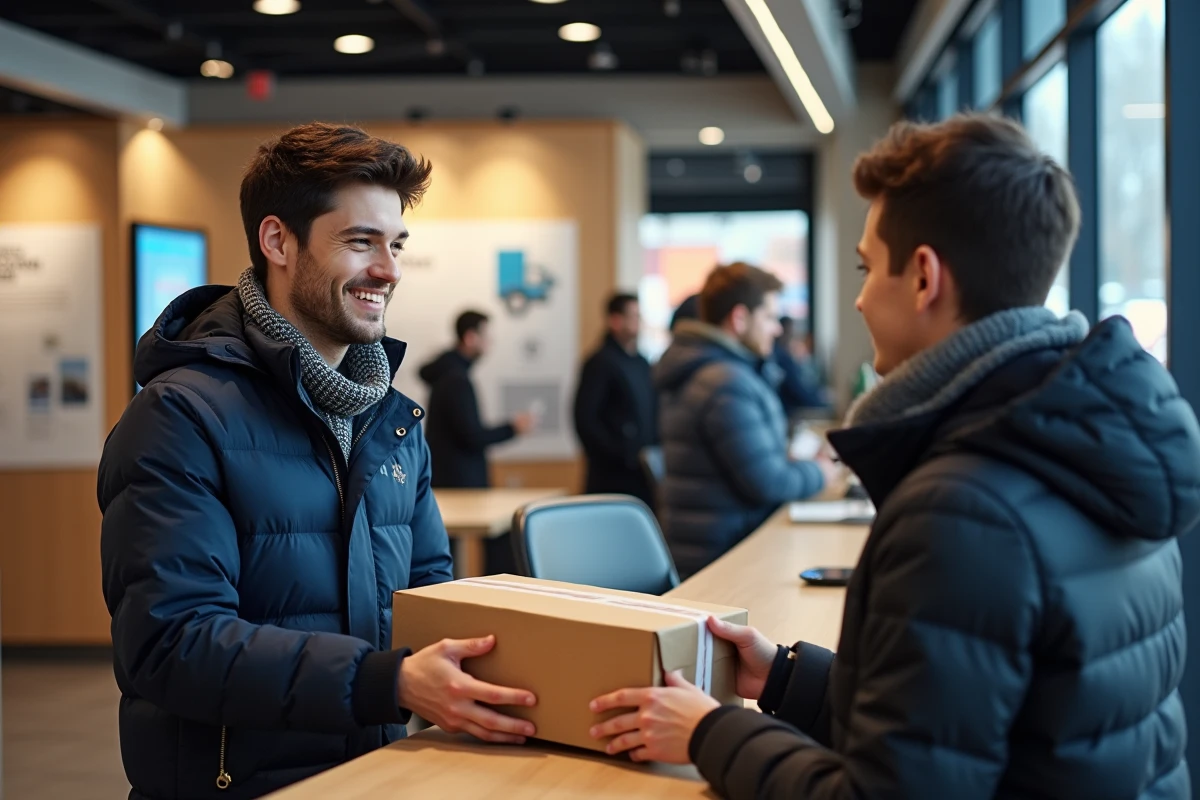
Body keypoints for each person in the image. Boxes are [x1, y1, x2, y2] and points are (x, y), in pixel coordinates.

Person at [587, 115, 1199, 798]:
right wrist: (786, 677)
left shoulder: (963, 508)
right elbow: (968, 729)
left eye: (867, 266)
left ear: (924, 278)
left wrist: (709, 732)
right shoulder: (1100, 446)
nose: (858, 297)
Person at [98, 123, 538, 800]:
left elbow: (428, 594)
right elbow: (172, 643)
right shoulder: (180, 416)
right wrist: (385, 682)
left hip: (381, 774)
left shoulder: (391, 419)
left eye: (396, 245)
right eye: (361, 242)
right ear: (278, 242)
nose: (389, 270)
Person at [654, 263, 834, 578]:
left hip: (719, 550)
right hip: (725, 562)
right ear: (739, 318)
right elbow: (769, 483)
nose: (776, 329)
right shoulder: (725, 383)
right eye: (769, 317)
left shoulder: (712, 373)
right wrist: (820, 471)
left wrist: (788, 461)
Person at [418, 310, 535, 488]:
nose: (490, 341)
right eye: (485, 335)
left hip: (449, 479)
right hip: (459, 485)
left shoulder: (448, 373)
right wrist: (512, 428)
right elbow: (472, 436)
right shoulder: (456, 379)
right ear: (470, 338)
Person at [573, 292, 659, 507]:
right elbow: (585, 419)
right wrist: (622, 454)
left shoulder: (641, 362)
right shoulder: (600, 363)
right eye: (633, 316)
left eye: (639, 316)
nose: (638, 322)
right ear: (615, 320)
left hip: (643, 472)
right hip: (611, 475)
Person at [769, 316, 827, 414]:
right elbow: (797, 389)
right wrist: (820, 404)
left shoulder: (780, 354)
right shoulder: (781, 357)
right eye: (790, 331)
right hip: (790, 411)